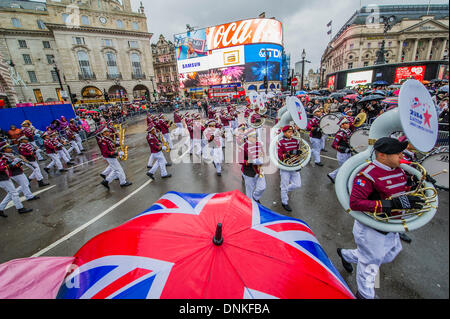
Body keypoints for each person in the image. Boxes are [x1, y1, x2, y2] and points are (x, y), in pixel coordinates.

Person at [336, 137, 425, 299]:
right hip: (372, 228)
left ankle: (346, 254)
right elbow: (355, 203)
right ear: (382, 155)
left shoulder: (398, 169)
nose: (401, 155)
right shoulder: (367, 175)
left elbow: (400, 189)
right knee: (370, 264)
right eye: (397, 153)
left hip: (391, 224)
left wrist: (416, 184)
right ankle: (364, 294)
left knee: (391, 253)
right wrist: (393, 204)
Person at [0, 143, 33, 217]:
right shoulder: (3, 157)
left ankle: (1, 208)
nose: (10, 148)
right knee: (14, 193)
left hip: (5, 177)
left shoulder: (5, 156)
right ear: (4, 149)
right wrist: (11, 164)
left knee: (11, 193)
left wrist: (18, 162)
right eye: (8, 148)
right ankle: (20, 208)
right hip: (2, 178)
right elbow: (2, 168)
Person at [277, 125, 302, 212]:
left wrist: (299, 153)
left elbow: (298, 151)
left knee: (298, 184)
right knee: (284, 185)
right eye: (289, 132)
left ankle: (284, 190)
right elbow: (279, 156)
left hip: (294, 164)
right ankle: (284, 202)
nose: (291, 133)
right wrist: (287, 154)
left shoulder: (296, 141)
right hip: (285, 166)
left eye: (292, 132)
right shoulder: (280, 142)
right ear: (284, 133)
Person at [241, 130, 266, 203]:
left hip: (259, 169)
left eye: (256, 136)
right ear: (248, 137)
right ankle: (250, 205)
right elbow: (240, 160)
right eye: (254, 137)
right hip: (249, 171)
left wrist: (261, 159)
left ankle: (255, 197)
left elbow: (262, 154)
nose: (256, 138)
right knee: (249, 191)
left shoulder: (259, 144)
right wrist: (251, 161)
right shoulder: (243, 147)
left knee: (262, 187)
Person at [327, 117, 352, 184]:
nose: (348, 124)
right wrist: (342, 148)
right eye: (346, 123)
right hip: (342, 154)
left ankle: (332, 175)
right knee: (344, 168)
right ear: (342, 125)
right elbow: (334, 145)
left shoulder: (348, 131)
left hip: (348, 152)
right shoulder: (340, 134)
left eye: (348, 123)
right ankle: (333, 176)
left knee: (346, 167)